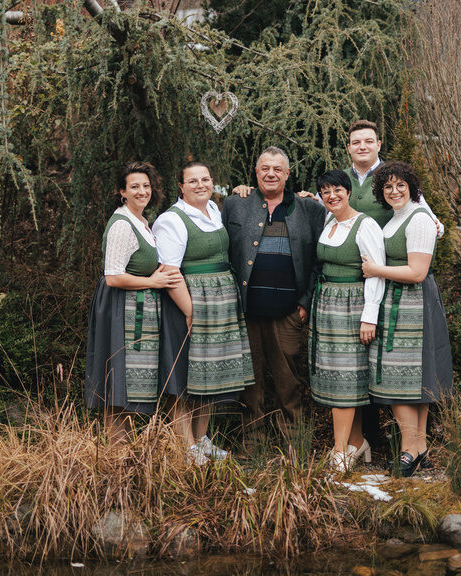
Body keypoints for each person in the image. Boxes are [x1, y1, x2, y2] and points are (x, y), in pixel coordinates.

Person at [153, 161, 254, 464]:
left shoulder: (214, 210)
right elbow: (170, 272)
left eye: (206, 179)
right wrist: (191, 311)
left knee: (206, 377)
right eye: (192, 181)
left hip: (220, 301)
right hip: (191, 300)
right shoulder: (172, 220)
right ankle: (185, 446)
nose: (200, 185)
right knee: (186, 376)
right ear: (181, 186)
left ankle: (202, 438)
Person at [222, 146, 326, 442]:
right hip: (246, 311)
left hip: (288, 312)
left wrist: (305, 303)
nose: (271, 174)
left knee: (288, 381)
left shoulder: (309, 208)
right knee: (249, 382)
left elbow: (320, 258)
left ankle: (294, 446)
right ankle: (252, 446)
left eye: (277, 169)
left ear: (287, 174)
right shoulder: (234, 204)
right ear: (256, 173)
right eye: (265, 168)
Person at [362, 160, 453, 477]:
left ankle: (408, 449)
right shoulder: (396, 217)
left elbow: (417, 272)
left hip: (414, 302)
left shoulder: (419, 219)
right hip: (398, 301)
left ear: (412, 188)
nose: (394, 191)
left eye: (401, 185)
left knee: (406, 378)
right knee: (410, 378)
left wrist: (375, 270)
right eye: (387, 186)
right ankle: (419, 447)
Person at [85, 161, 183, 441]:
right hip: (120, 310)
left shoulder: (141, 222)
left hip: (136, 309)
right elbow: (113, 276)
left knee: (130, 386)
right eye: (135, 186)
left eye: (146, 186)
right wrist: (153, 282)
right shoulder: (122, 225)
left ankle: (126, 456)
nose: (142, 191)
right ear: (122, 192)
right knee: (118, 385)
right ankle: (116, 456)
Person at [309, 170, 385, 472]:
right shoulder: (329, 221)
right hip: (327, 304)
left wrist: (369, 317)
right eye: (325, 191)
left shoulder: (365, 225)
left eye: (338, 190)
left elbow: (376, 271)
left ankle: (340, 449)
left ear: (349, 191)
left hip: (352, 305)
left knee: (345, 378)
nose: (332, 196)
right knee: (334, 376)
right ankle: (356, 442)